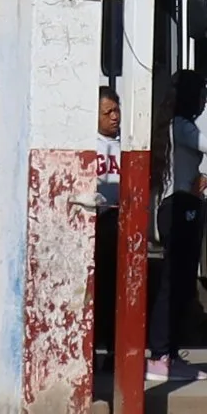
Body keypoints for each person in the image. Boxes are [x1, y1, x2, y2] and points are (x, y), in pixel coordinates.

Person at [146, 68, 207, 383]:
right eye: (201, 94)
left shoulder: (171, 127)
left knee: (180, 285)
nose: (204, 102)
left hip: (179, 205)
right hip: (179, 208)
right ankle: (161, 355)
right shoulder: (183, 127)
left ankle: (168, 354)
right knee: (174, 285)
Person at [92, 86, 121, 366]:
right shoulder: (90, 145)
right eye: (107, 112)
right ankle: (93, 347)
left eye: (116, 110)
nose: (114, 117)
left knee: (116, 289)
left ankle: (113, 349)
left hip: (118, 221)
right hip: (95, 222)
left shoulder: (126, 145)